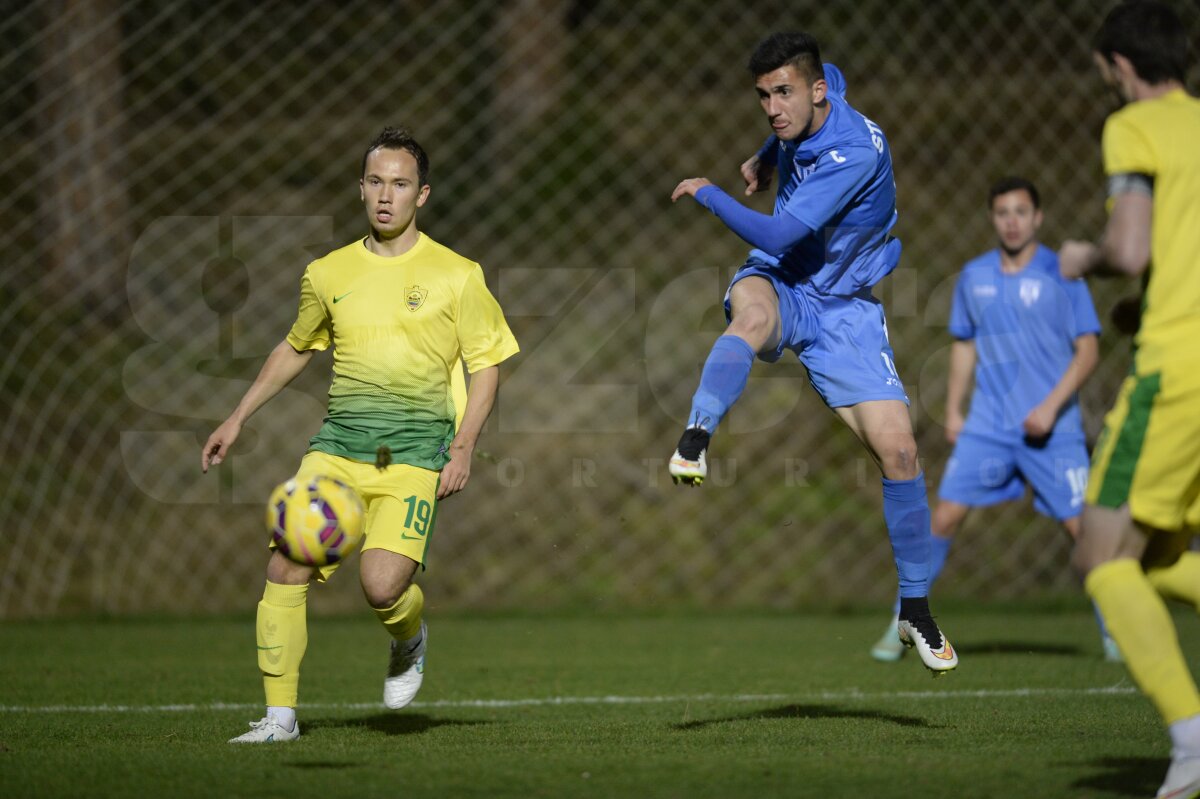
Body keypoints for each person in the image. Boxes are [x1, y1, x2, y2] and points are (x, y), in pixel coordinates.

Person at [201, 127, 519, 743]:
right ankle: (280, 719)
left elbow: (487, 366)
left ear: (421, 195)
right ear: (361, 188)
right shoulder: (328, 272)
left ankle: (410, 637)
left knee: (381, 586)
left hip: (417, 455)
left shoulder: (458, 275)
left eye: (400, 184)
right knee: (285, 567)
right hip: (336, 452)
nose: (385, 195)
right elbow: (296, 348)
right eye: (376, 181)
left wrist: (463, 449)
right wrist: (237, 417)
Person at [668, 31, 957, 675]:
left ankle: (914, 608)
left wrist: (710, 191)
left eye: (784, 94)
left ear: (816, 91)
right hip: (781, 277)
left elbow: (777, 227)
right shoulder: (825, 89)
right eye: (764, 96)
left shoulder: (853, 153)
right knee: (753, 314)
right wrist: (769, 155)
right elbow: (776, 240)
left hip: (845, 307)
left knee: (901, 452)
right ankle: (695, 436)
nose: (773, 107)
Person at [870, 177, 1117, 663]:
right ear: (992, 218)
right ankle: (904, 620)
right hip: (988, 427)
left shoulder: (1063, 273)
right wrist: (955, 409)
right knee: (941, 518)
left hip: (1053, 430)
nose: (1012, 221)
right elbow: (965, 345)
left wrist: (1050, 407)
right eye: (1003, 212)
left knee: (1084, 534)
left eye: (1021, 212)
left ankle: (1115, 632)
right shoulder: (975, 275)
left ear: (1038, 218)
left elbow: (1088, 350)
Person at [1057, 3, 1200, 797]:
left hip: (1174, 374)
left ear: (1118, 64)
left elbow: (1132, 245)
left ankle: (1192, 736)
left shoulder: (1131, 126)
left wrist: (1087, 255)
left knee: (1101, 554)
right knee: (1169, 552)